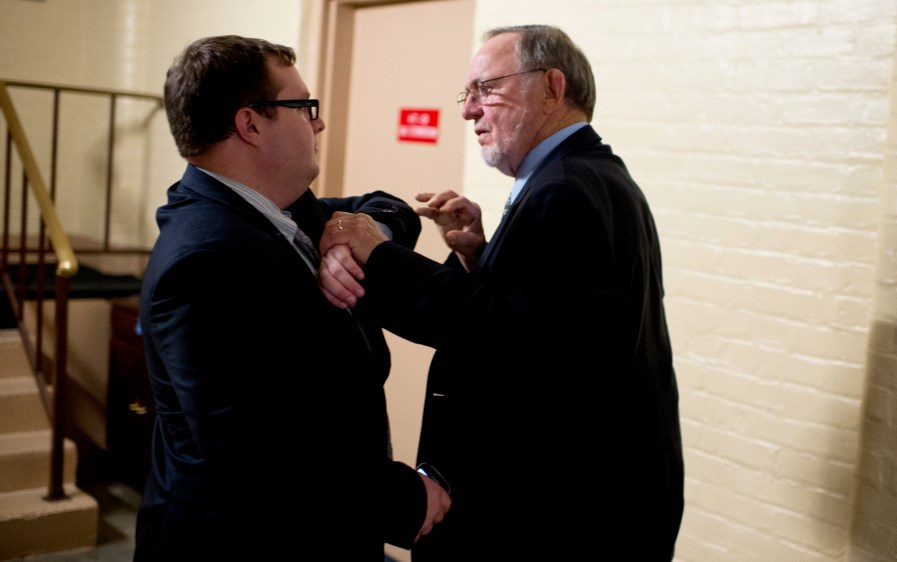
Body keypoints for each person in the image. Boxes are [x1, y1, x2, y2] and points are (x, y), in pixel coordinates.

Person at [318, 24, 684, 560]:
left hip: (560, 512)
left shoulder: (564, 189)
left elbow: (495, 333)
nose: (468, 110)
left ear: (553, 88)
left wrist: (377, 251)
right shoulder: (587, 176)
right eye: (467, 94)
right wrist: (477, 256)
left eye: (486, 89)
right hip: (586, 494)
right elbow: (551, 321)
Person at [133, 35, 449, 561]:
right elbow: (253, 453)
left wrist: (352, 243)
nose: (318, 123)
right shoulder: (205, 259)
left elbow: (384, 206)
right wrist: (401, 500)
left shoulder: (277, 211)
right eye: (304, 107)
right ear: (250, 124)